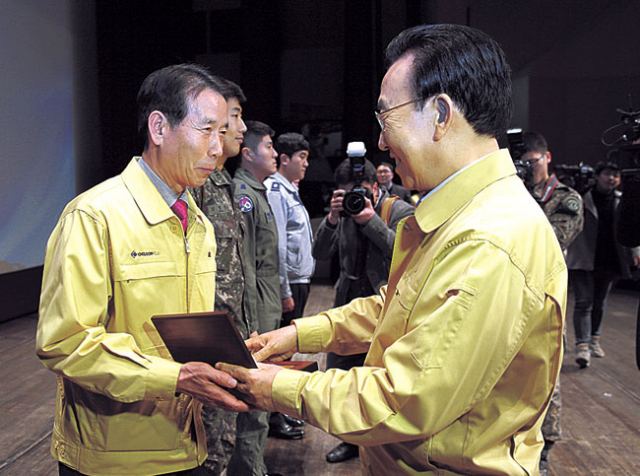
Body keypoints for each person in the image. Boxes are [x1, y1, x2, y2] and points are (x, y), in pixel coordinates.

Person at [219, 24, 567, 475]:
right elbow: (400, 306)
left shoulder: (489, 240)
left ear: (441, 114)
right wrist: (300, 334)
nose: (382, 142)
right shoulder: (465, 214)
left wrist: (273, 386)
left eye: (387, 119)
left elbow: (403, 399)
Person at [36, 64, 249, 476]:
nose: (217, 148)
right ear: (159, 127)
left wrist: (228, 358)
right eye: (206, 130)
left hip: (187, 445)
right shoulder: (94, 216)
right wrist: (176, 377)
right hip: (113, 458)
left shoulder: (198, 223)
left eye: (222, 133)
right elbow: (65, 342)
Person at [189, 80, 270, 476]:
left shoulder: (223, 183)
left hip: (234, 331)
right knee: (211, 444)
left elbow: (238, 269)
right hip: (209, 339)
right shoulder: (198, 186)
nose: (239, 129)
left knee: (231, 434)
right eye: (232, 119)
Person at [313, 157, 414, 463]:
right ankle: (349, 440)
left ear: (374, 186)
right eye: (344, 193)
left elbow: (404, 253)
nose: (353, 199)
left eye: (358, 191)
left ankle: (380, 444)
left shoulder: (399, 210)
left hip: (384, 304)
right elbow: (319, 253)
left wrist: (370, 219)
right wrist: (332, 218)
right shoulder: (342, 211)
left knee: (379, 374)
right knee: (340, 372)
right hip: (347, 299)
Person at [233, 121, 305, 441]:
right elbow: (246, 263)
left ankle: (258, 462)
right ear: (247, 154)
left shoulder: (259, 192)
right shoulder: (244, 195)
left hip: (268, 295)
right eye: (268, 147)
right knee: (256, 385)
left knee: (269, 377)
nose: (275, 154)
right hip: (258, 298)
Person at [520, 131, 584, 475]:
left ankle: (543, 453)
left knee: (546, 379)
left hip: (546, 302)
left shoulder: (566, 198)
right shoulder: (516, 193)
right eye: (524, 163)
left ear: (546, 157)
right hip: (510, 295)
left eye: (532, 162)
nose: (528, 169)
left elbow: (553, 238)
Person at [566, 161, 640, 368]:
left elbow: (631, 227)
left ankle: (594, 339)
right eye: (607, 174)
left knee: (599, 302)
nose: (611, 179)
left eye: (615, 175)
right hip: (583, 257)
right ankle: (582, 345)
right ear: (597, 176)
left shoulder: (622, 199)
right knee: (584, 301)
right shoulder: (581, 196)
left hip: (609, 259)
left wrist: (635, 252)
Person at [265, 132, 315, 327]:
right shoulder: (275, 190)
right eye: (302, 157)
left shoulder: (289, 190)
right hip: (289, 283)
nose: (306, 163)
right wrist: (284, 290)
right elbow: (278, 245)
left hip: (298, 280)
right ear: (284, 159)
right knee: (281, 349)